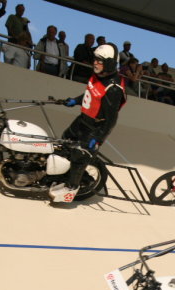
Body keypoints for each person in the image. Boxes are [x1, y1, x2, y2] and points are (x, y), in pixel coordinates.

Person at [49, 43, 127, 203]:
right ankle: (63, 173)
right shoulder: (98, 76)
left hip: (95, 126)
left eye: (100, 60)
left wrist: (98, 138)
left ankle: (71, 187)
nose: (95, 63)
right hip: (83, 119)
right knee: (65, 140)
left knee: (80, 154)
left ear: (110, 63)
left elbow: (112, 119)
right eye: (95, 59)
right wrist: (75, 100)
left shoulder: (113, 88)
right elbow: (91, 92)